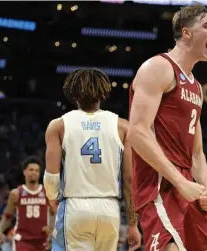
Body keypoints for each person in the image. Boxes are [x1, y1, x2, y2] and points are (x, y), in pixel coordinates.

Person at [128, 4, 207, 251]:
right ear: (186, 33)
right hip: (159, 186)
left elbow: (196, 152)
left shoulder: (196, 87)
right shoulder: (158, 67)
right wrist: (179, 182)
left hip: (186, 187)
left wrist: (206, 189)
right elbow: (137, 132)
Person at [43, 68, 141, 251]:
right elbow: (129, 179)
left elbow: (51, 178)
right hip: (109, 209)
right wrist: (133, 223)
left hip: (75, 206)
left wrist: (53, 199)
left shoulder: (58, 126)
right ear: (104, 93)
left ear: (73, 94)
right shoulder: (123, 127)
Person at [0, 156, 55, 251]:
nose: (34, 172)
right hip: (22, 240)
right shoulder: (16, 193)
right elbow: (7, 215)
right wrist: (0, 231)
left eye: (37, 170)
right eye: (31, 170)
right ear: (24, 172)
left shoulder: (47, 192)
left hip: (41, 240)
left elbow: (54, 213)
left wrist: (51, 229)